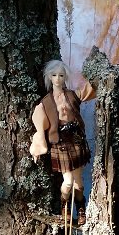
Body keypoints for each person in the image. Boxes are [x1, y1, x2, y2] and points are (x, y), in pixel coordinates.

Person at [30, 59, 95, 226]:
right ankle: (65, 207)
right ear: (49, 77)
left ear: (65, 76)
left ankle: (80, 208)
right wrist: (38, 146)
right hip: (60, 144)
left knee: (79, 183)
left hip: (76, 141)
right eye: (54, 75)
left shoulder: (72, 95)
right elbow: (39, 125)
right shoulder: (45, 102)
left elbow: (89, 90)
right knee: (68, 182)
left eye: (61, 75)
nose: (58, 79)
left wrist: (103, 75)